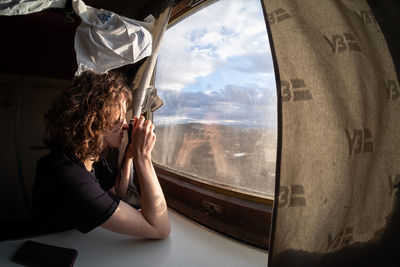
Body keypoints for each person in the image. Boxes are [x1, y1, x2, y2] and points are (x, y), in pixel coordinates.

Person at [32, 71, 170, 239]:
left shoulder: (89, 158)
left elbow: (117, 191)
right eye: (120, 116)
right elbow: (159, 229)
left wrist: (130, 156)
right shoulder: (69, 176)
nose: (126, 126)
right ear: (94, 116)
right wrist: (144, 156)